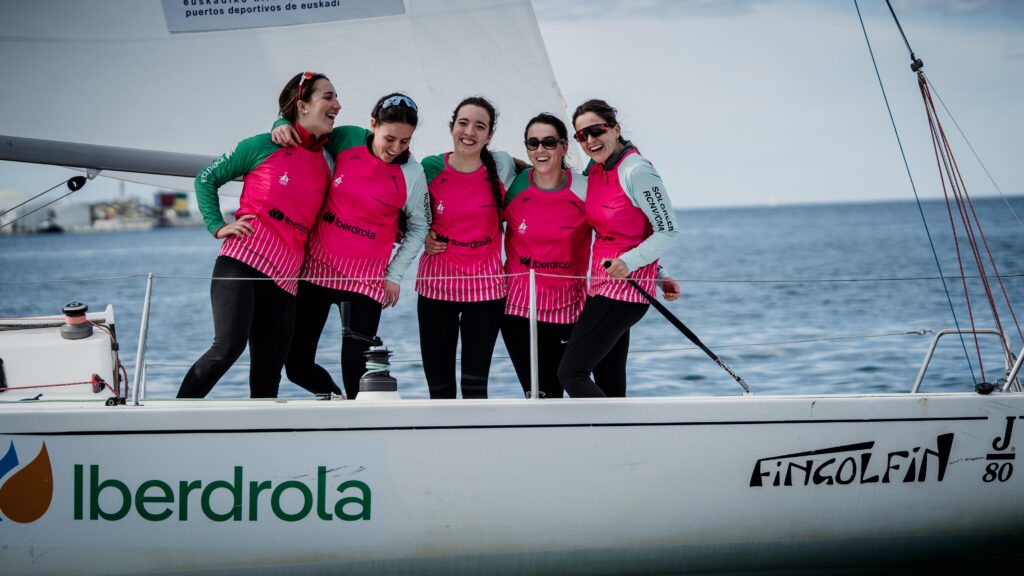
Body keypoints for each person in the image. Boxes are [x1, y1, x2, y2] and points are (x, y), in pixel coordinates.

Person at [177, 72, 338, 399]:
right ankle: (174, 418)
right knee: (227, 349)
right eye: (328, 97)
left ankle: (267, 429)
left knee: (268, 374)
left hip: (285, 280)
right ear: (302, 105)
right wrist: (217, 225)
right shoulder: (262, 145)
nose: (337, 104)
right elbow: (206, 179)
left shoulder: (328, 161)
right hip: (243, 263)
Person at [271, 93, 429, 399]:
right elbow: (306, 132)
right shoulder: (347, 139)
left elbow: (420, 226)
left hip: (365, 283)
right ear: (373, 125)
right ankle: (337, 401)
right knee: (296, 366)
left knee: (357, 378)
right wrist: (280, 122)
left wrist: (394, 275)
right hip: (316, 273)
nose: (396, 149)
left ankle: (354, 413)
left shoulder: (412, 172)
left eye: (405, 142)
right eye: (390, 139)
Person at [557, 99, 680, 397]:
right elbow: (627, 232)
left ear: (615, 129)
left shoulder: (637, 171)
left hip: (624, 293)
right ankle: (620, 427)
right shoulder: (597, 169)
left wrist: (630, 263)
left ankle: (610, 428)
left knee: (571, 373)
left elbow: (667, 231)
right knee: (609, 385)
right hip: (601, 287)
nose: (590, 140)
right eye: (581, 135)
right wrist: (660, 274)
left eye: (596, 131)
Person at [416, 97, 517, 399]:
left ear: (490, 135)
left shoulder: (502, 166)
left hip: (486, 293)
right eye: (463, 123)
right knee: (439, 391)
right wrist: (423, 237)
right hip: (436, 288)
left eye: (480, 126)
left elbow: (540, 177)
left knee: (475, 390)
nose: (469, 132)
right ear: (452, 127)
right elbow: (407, 216)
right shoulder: (429, 167)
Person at [500, 113, 589, 398]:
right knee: (537, 395)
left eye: (549, 142)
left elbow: (618, 234)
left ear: (564, 147)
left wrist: (658, 272)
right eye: (533, 143)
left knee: (563, 392)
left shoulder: (585, 188)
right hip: (519, 310)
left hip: (569, 310)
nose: (541, 149)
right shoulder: (513, 186)